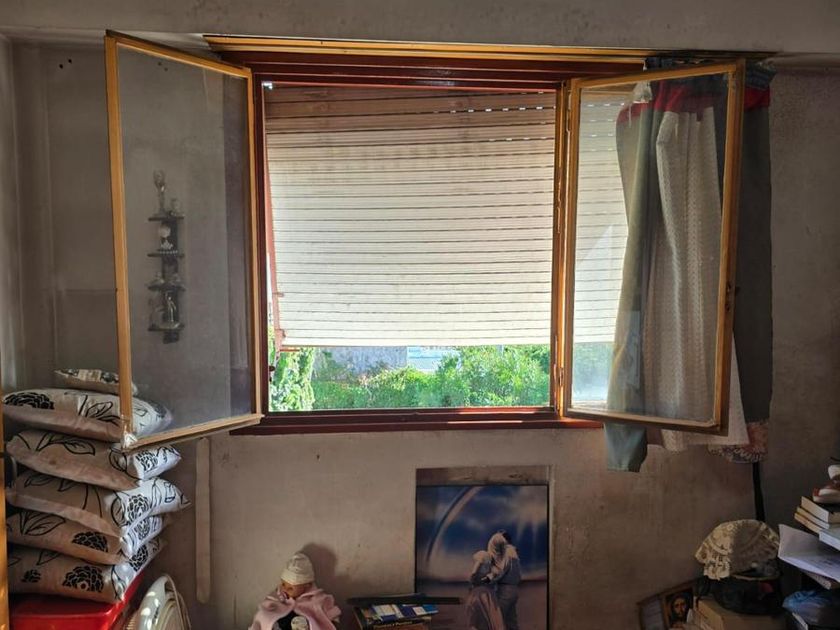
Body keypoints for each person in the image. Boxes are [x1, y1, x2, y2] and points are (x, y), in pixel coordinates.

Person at [250, 552, 341, 630]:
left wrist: (332, 622)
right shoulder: (278, 596)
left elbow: (331, 617)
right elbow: (264, 613)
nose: (285, 589)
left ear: (307, 585)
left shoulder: (318, 599)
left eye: (290, 588)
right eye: (283, 584)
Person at [483, 531, 521, 630]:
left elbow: (500, 571)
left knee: (497, 619)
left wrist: (487, 580)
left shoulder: (506, 553)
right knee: (511, 621)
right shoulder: (514, 553)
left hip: (505, 590)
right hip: (514, 589)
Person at [466, 551, 505, 630]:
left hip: (480, 594)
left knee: (477, 620)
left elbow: (473, 576)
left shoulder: (486, 565)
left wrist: (474, 580)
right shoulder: (491, 569)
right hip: (485, 595)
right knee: (488, 619)